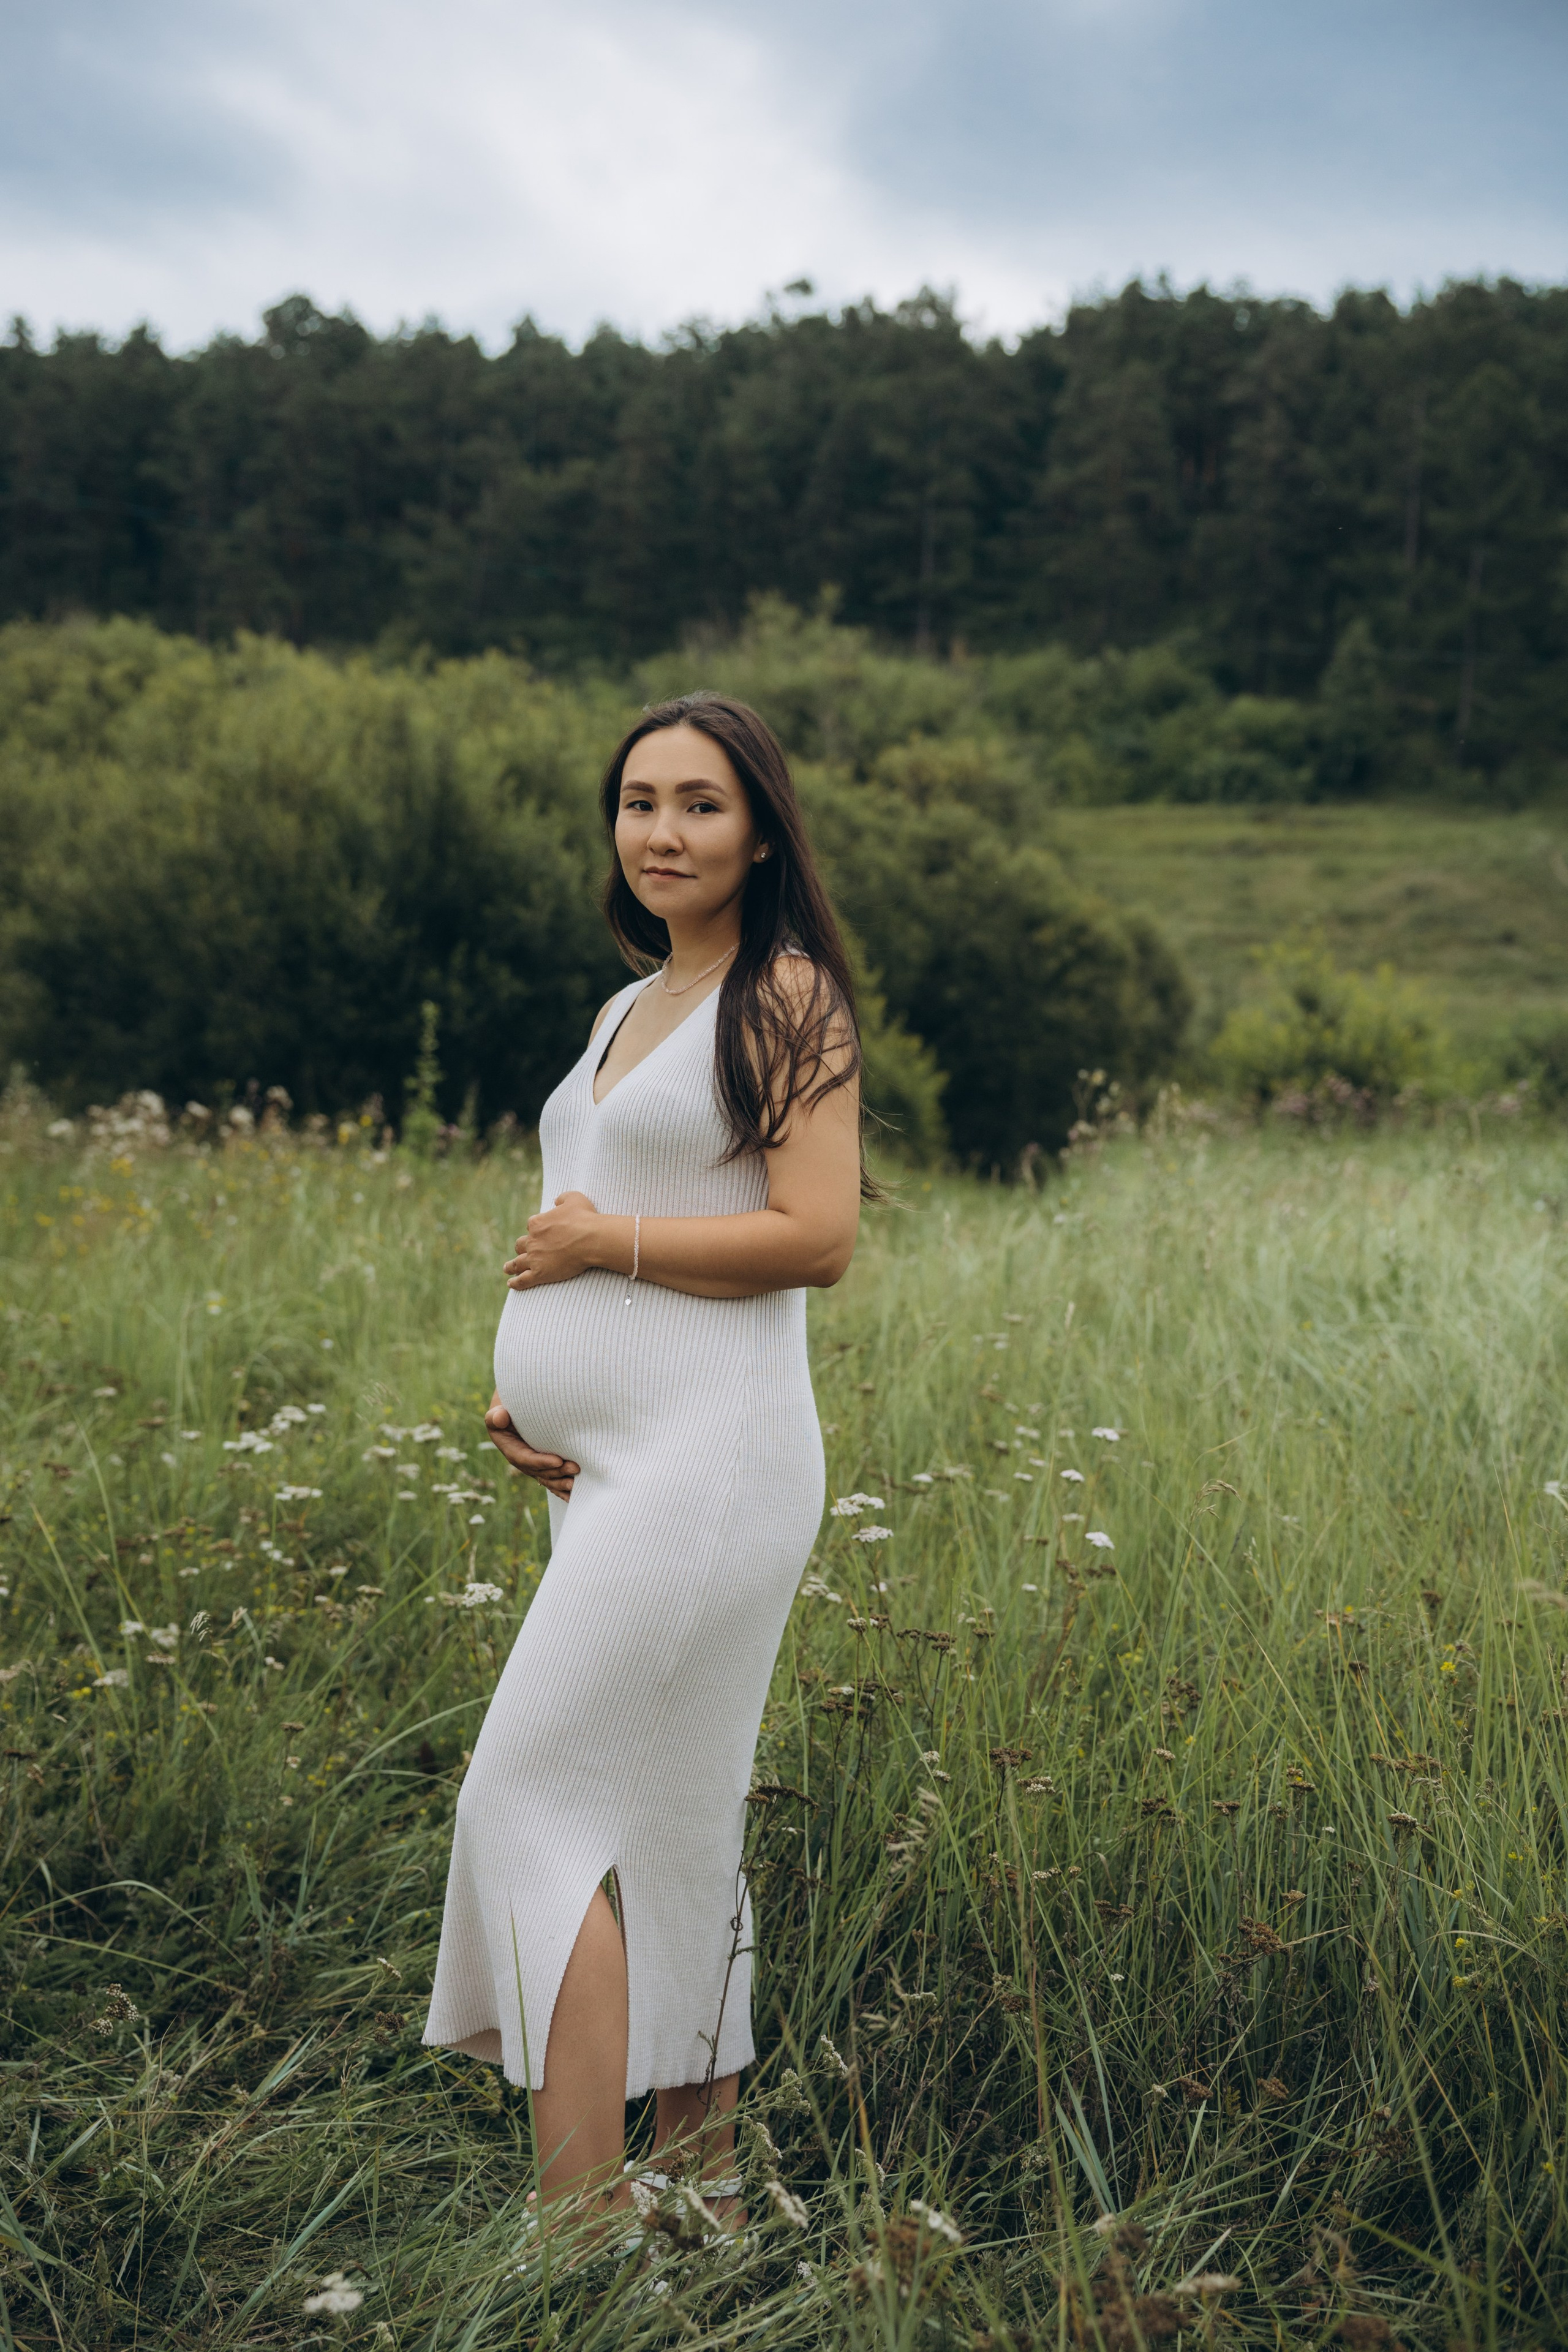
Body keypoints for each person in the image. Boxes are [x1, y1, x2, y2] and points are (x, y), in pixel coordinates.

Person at [422, 692, 867, 2244]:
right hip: (602, 1466)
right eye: (636, 802)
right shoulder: (624, 1009)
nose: (661, 832)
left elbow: (814, 1236)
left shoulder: (785, 993)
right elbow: (578, 1216)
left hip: (712, 1463)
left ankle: (585, 2233)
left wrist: (602, 1249)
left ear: (758, 831)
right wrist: (523, 1389)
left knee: (524, 1805)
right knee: (673, 1824)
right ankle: (707, 2198)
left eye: (698, 804)